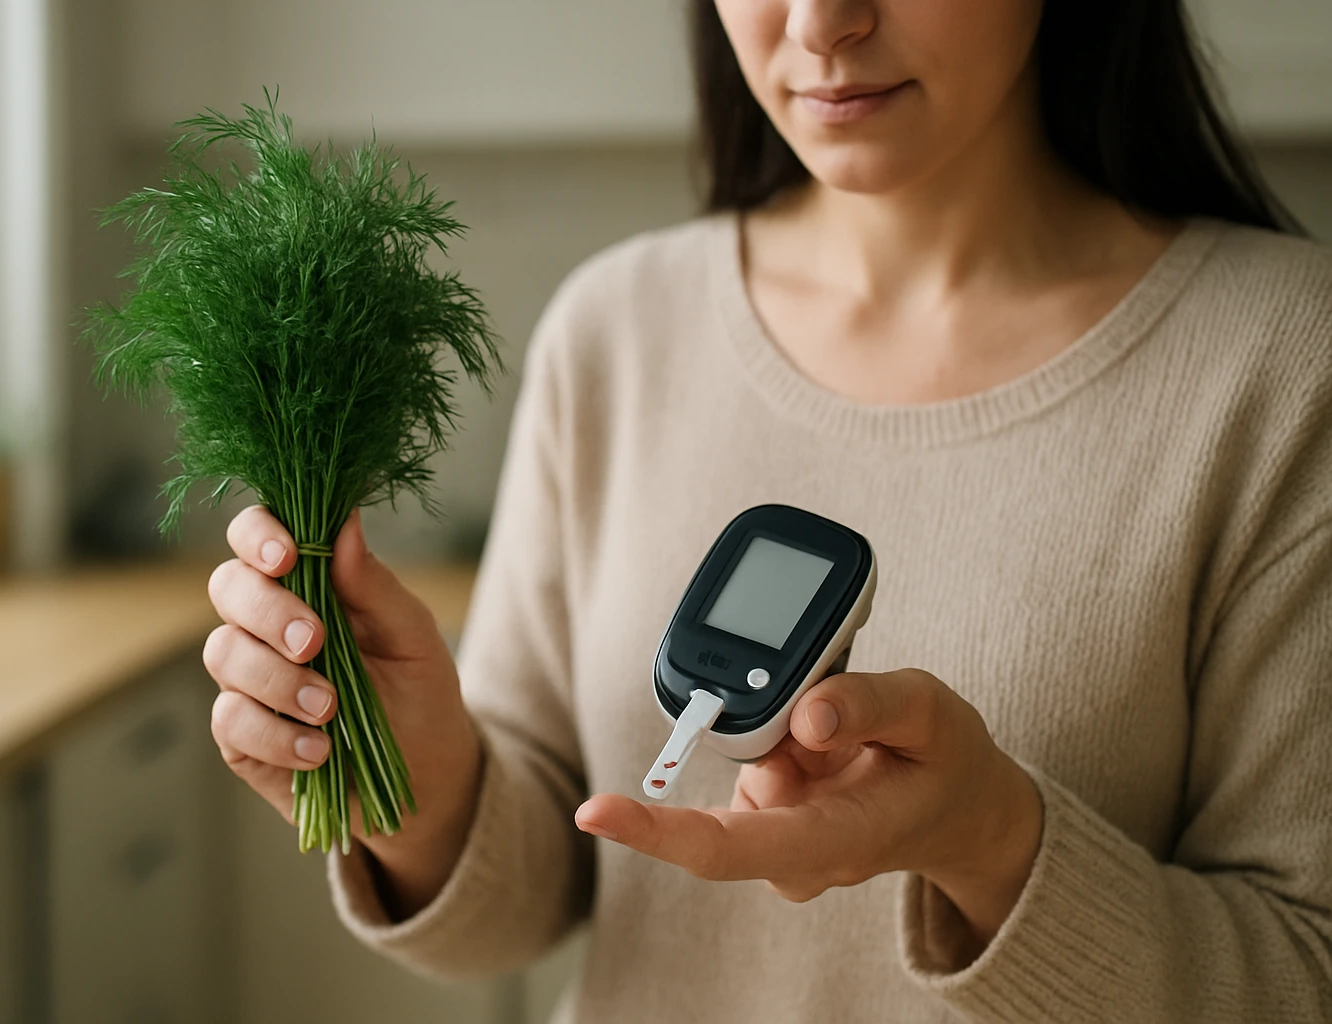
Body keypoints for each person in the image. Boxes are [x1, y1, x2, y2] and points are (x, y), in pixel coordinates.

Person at [200, 0, 1332, 1019]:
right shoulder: (616, 330)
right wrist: (424, 786)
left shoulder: (1286, 364)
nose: (822, 20)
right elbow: (540, 897)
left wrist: (994, 842)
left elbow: (1305, 972)